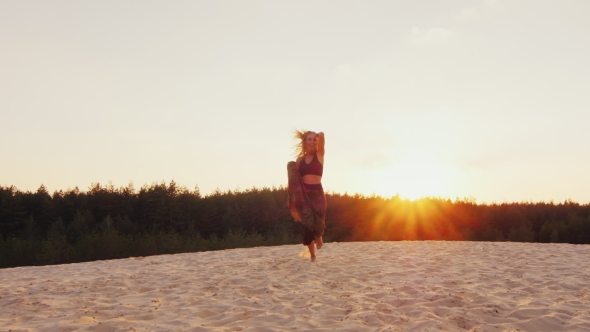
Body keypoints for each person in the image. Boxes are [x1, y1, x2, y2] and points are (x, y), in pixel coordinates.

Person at [287, 130, 326, 262]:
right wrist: (293, 197)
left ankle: (319, 235)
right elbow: (295, 179)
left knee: (319, 220)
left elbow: (323, 135)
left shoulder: (319, 155)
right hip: (303, 195)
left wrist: (317, 135)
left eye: (314, 139)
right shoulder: (300, 160)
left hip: (317, 193)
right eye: (309, 139)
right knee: (307, 225)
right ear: (305, 142)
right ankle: (312, 255)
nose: (312, 141)